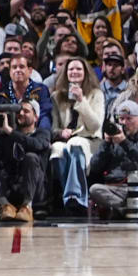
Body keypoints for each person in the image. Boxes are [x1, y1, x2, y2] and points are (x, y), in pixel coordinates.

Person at [86, 100, 138, 220]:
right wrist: (106, 144)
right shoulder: (112, 141)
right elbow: (94, 167)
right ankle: (136, 209)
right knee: (95, 190)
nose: (124, 123)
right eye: (121, 119)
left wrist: (125, 143)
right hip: (118, 189)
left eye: (129, 119)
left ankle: (122, 209)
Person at [48, 56, 105, 211]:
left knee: (76, 143)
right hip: (65, 140)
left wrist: (81, 100)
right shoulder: (56, 96)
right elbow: (53, 128)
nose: (74, 72)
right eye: (71, 69)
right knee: (56, 150)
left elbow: (95, 126)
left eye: (78, 69)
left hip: (90, 139)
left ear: (85, 73)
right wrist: (61, 132)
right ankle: (66, 197)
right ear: (65, 73)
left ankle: (76, 196)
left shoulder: (96, 94)